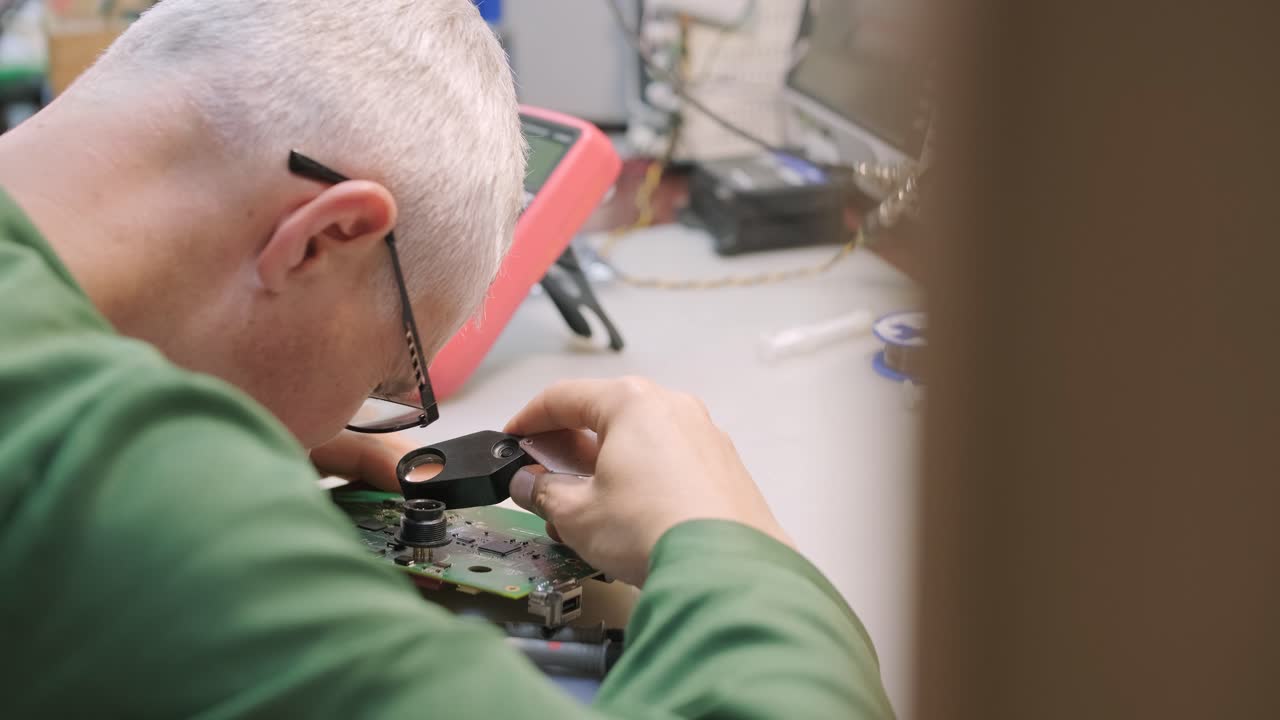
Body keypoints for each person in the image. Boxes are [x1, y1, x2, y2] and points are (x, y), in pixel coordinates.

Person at [0, 1, 893, 717]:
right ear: (326, 240)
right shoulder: (102, 476)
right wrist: (730, 543)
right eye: (384, 381)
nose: (342, 431)